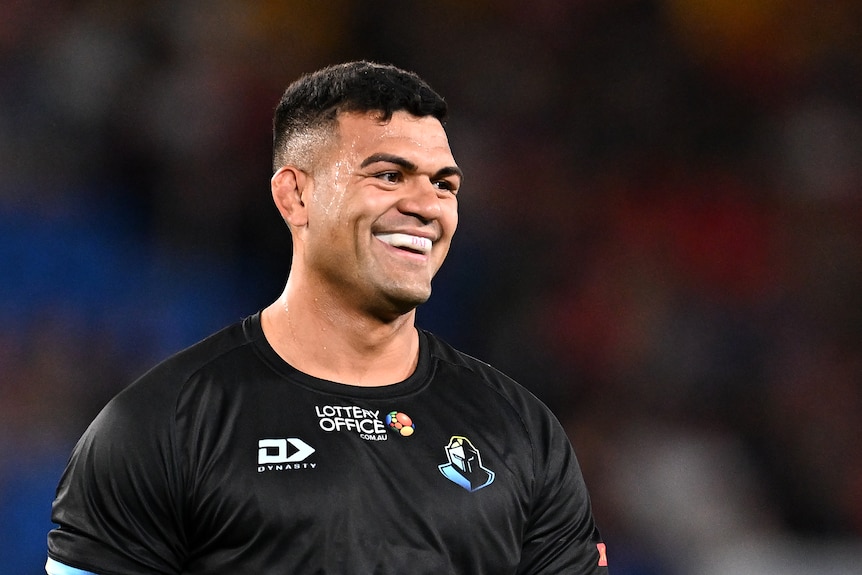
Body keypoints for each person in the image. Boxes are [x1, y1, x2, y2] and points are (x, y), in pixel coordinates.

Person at [46, 61, 609, 574]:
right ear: (295, 196)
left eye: (444, 184)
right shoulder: (162, 424)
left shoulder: (522, 432)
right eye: (389, 175)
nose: (426, 205)